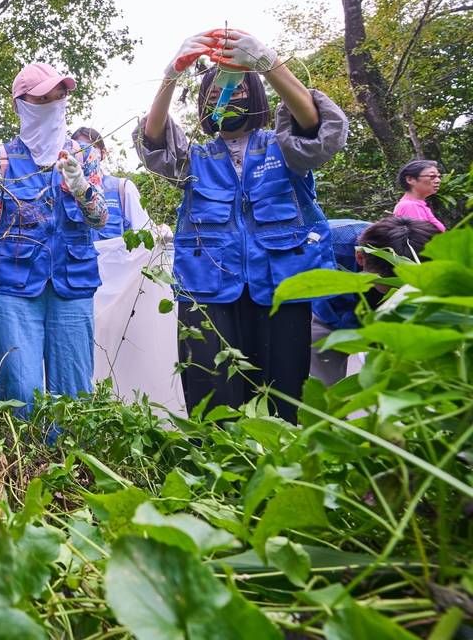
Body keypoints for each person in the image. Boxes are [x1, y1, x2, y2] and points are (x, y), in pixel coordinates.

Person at [135, 28, 349, 422]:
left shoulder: (283, 148)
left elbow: (317, 128)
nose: (224, 97)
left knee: (284, 391)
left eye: (234, 89)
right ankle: (220, 473)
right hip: (208, 287)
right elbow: (154, 141)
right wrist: (171, 75)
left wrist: (269, 64)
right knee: (212, 392)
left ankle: (280, 469)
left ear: (253, 94)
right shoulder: (196, 159)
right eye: (213, 93)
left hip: (282, 284)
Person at [0, 62, 109, 413]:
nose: (55, 102)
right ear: (21, 105)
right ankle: (20, 464)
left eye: (60, 94)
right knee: (19, 390)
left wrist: (81, 188)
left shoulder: (82, 156)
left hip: (71, 287)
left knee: (73, 394)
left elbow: (100, 218)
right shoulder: (3, 158)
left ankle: (70, 466)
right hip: (15, 287)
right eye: (43, 98)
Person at [310, 217, 438, 384]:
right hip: (331, 312)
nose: (399, 292)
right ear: (360, 258)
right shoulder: (325, 243)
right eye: (393, 286)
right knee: (324, 384)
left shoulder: (435, 257)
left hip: (395, 321)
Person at [309, 218, 370, 385]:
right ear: (360, 258)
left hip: (371, 311)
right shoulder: (329, 245)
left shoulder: (415, 254)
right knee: (323, 378)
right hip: (329, 309)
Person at [72, 126, 152, 240]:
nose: (85, 152)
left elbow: (143, 232)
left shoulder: (122, 188)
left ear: (103, 153)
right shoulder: (63, 193)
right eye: (79, 148)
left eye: (91, 147)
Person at [393, 160, 445, 231]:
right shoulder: (410, 206)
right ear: (410, 179)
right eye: (432, 176)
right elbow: (421, 239)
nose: (438, 180)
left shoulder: (418, 205)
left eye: (439, 177)